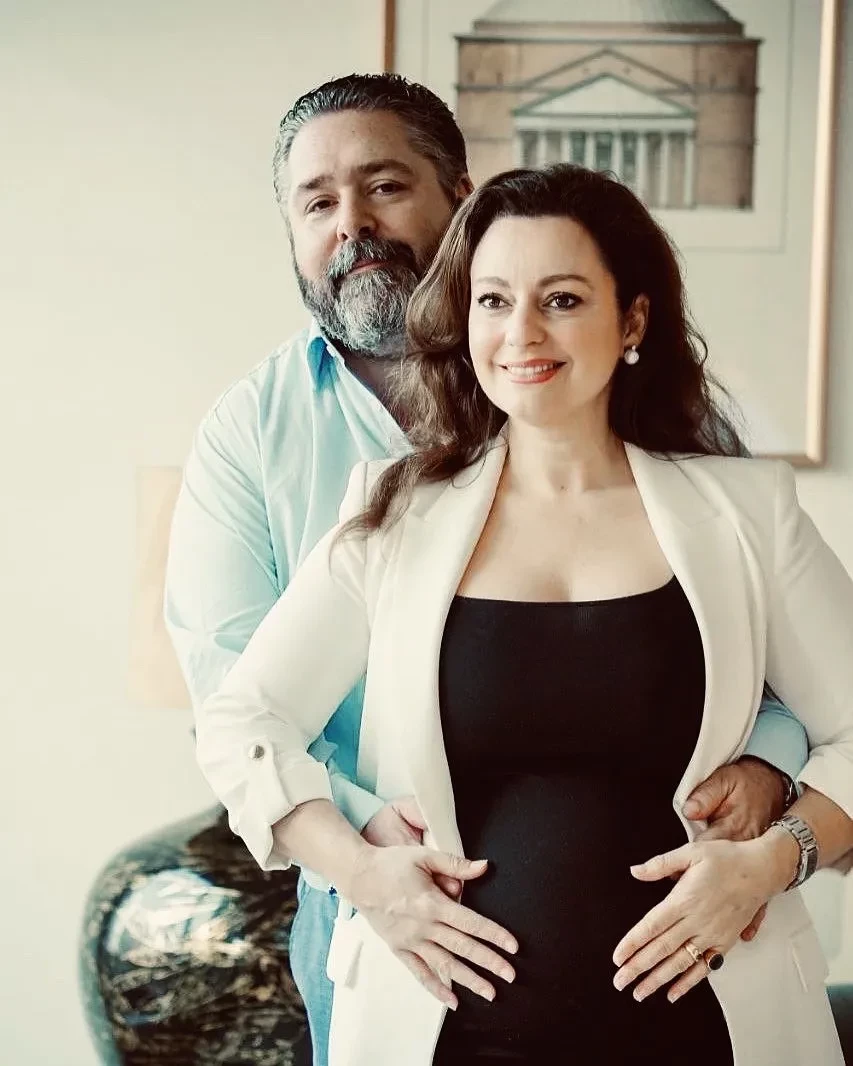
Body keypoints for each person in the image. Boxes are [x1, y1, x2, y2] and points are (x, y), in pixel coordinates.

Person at [165, 76, 811, 1065]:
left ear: (459, 201)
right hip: (389, 933)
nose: (352, 224)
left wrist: (771, 799)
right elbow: (236, 701)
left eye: (384, 186)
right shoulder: (302, 458)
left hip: (703, 992)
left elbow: (779, 675)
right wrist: (366, 856)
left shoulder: (708, 479)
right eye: (318, 202)